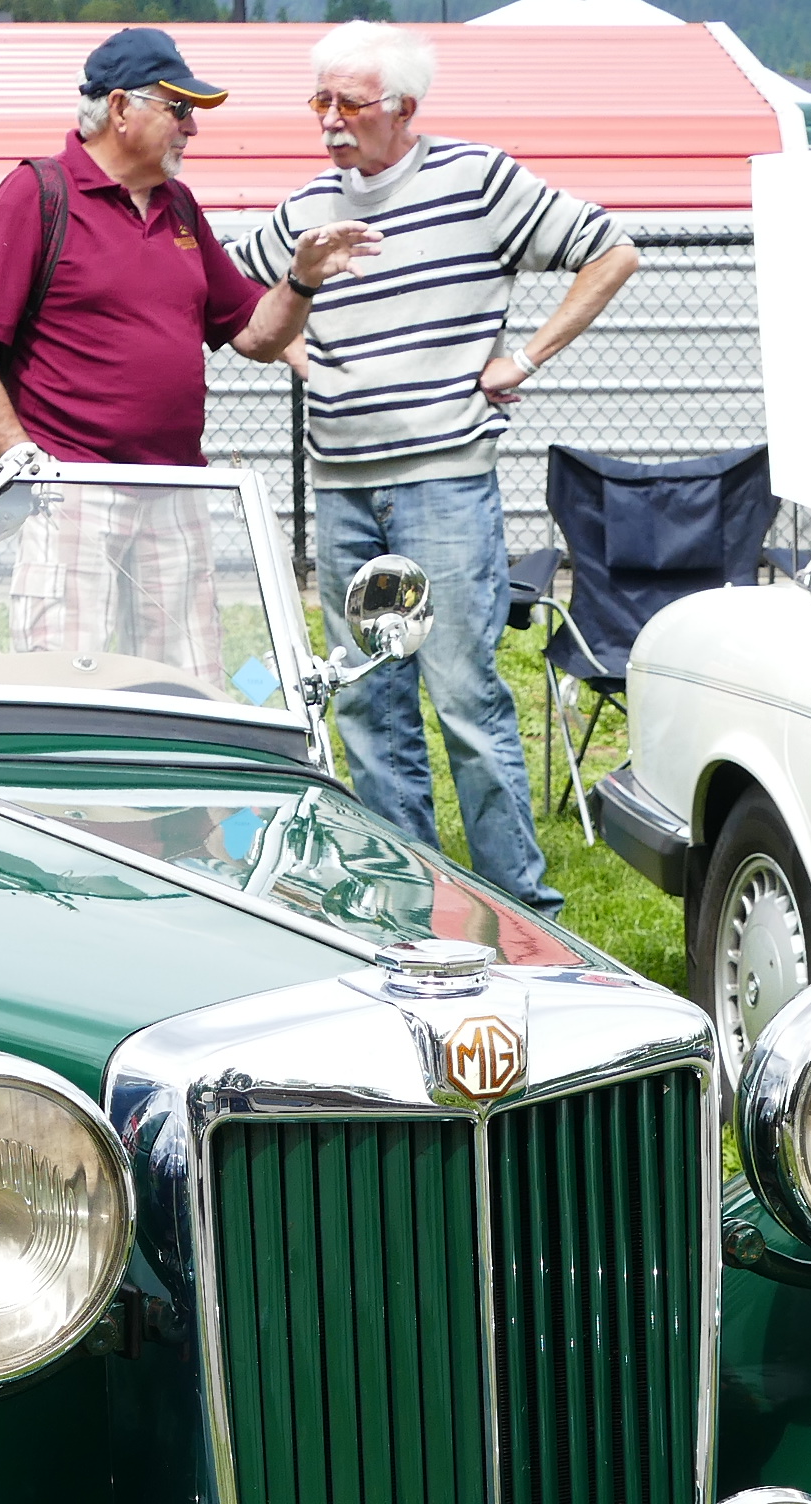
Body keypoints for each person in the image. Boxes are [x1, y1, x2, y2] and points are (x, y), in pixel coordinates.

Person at [232, 24, 640, 909]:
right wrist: (306, 348)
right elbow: (237, 310)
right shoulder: (306, 208)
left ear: (404, 108)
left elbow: (613, 250)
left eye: (349, 104)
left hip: (444, 480)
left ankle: (520, 908)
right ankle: (404, 902)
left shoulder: (477, 179)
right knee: (367, 702)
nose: (330, 120)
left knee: (462, 694)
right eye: (320, 102)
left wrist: (523, 359)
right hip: (341, 486)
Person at [0, 31, 376, 680]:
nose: (192, 128)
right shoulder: (36, 194)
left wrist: (302, 279)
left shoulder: (179, 206)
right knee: (67, 688)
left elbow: (254, 335)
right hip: (72, 491)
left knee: (191, 687)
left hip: (177, 489)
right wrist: (22, 458)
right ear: (120, 108)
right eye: (180, 109)